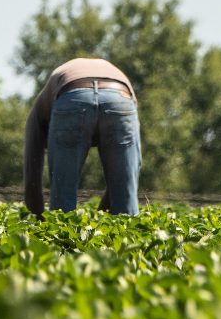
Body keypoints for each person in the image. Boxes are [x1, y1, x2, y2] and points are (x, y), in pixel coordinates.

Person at [23, 58, 141, 217]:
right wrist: (103, 219)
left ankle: (63, 237)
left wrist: (38, 218)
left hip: (71, 96)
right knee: (126, 206)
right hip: (120, 99)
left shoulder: (37, 114)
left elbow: (32, 178)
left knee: (62, 206)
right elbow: (127, 173)